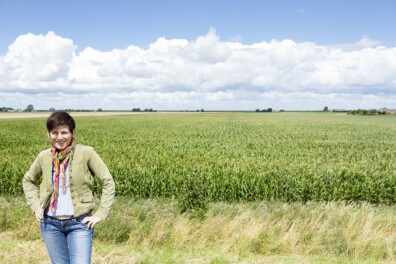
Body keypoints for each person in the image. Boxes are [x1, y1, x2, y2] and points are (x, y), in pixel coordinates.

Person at [22, 111, 115, 264]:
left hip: (79, 224)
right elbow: (28, 180)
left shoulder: (86, 153)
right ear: (48, 134)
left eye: (64, 132)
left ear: (72, 133)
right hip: (50, 224)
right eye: (54, 133)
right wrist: (36, 205)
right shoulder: (44, 156)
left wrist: (101, 212)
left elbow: (108, 182)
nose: (59, 137)